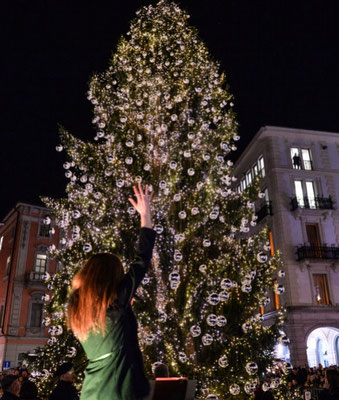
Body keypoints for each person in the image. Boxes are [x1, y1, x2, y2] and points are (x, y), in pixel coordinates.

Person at [67, 183, 156, 400]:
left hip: (92, 391)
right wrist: (145, 216)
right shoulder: (116, 300)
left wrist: (124, 311)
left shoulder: (77, 306)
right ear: (111, 277)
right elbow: (141, 260)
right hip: (120, 390)